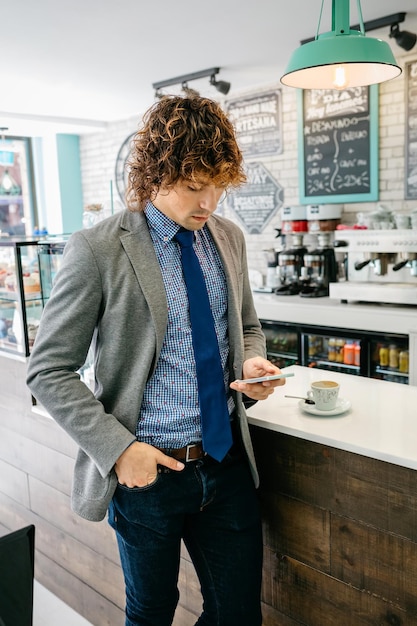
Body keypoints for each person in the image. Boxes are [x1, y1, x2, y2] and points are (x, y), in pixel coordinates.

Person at [26, 94, 286, 626]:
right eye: (195, 186)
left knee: (238, 614)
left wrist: (253, 364)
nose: (209, 202)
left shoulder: (229, 239)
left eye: (219, 185)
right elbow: (48, 370)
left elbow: (249, 326)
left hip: (227, 462)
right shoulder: (98, 248)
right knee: (151, 614)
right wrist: (120, 451)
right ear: (156, 175)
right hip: (148, 473)